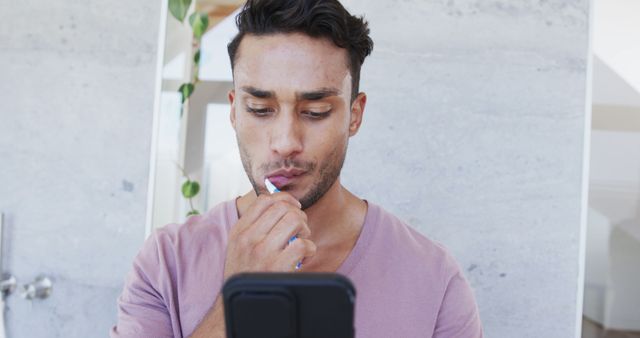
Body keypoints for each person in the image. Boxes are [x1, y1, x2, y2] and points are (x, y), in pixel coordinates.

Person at [111, 0, 483, 337]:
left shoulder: (434, 279)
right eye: (260, 109)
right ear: (234, 111)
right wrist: (236, 301)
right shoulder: (165, 263)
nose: (286, 141)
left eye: (315, 112)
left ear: (354, 115)